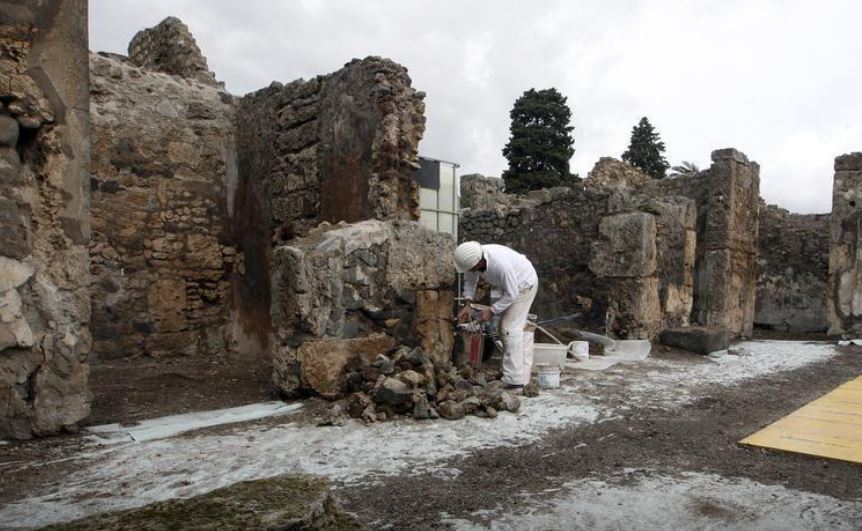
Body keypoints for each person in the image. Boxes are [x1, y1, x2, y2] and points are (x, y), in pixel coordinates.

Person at [454, 241, 538, 388]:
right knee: (512, 328)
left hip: (524, 285)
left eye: (473, 268)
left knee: (509, 329)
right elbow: (470, 281)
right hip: (510, 286)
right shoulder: (473, 260)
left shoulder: (500, 265)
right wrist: (467, 304)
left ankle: (514, 379)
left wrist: (491, 311)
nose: (472, 271)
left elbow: (512, 294)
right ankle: (519, 372)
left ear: (479, 261)